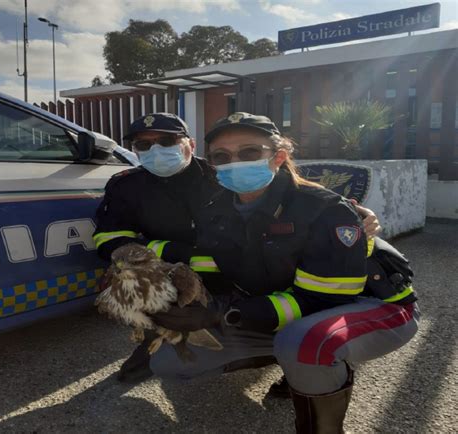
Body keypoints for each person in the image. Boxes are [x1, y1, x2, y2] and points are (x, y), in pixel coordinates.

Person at [148, 113, 419, 433]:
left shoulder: (322, 208)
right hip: (286, 310)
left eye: (249, 152)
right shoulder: (214, 210)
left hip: (375, 306)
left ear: (278, 156)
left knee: (305, 343)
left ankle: (322, 420)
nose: (234, 162)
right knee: (168, 360)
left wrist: (228, 315)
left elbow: (322, 298)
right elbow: (211, 265)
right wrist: (193, 307)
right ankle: (295, 365)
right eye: (222, 156)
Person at [93, 112, 380, 384]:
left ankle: (292, 353)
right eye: (144, 145)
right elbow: (108, 239)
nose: (156, 151)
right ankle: (156, 338)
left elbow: (291, 195)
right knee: (138, 282)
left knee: (273, 300)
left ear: (190, 145)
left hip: (236, 263)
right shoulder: (125, 185)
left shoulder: (221, 174)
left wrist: (351, 213)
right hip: (167, 264)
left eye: (167, 141)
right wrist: (172, 253)